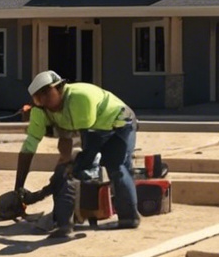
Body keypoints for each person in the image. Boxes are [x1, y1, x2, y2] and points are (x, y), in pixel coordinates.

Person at [12, 70, 141, 236]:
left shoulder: (80, 98)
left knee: (116, 165)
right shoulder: (40, 111)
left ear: (60, 89)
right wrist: (18, 189)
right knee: (64, 171)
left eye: (47, 93)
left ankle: (129, 218)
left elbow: (90, 145)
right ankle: (65, 222)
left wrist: (71, 168)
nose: (44, 100)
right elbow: (29, 147)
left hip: (119, 123)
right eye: (38, 97)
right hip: (94, 129)